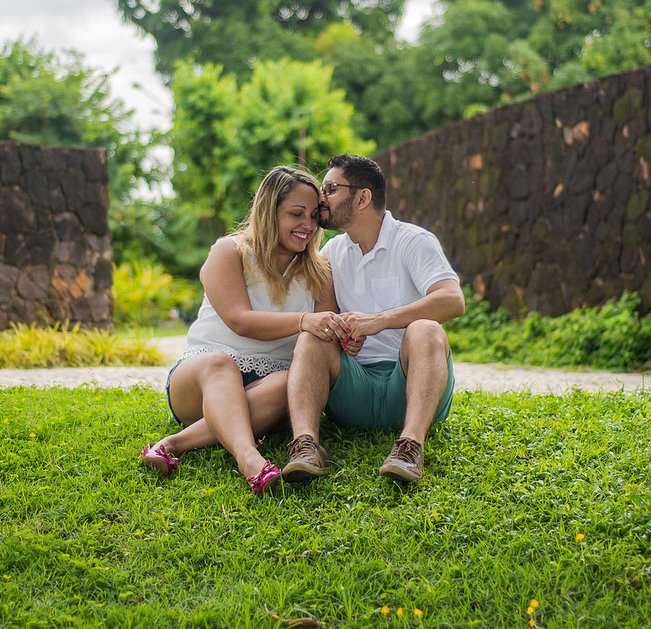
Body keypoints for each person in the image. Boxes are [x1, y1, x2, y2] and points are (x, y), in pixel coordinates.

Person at [140, 166, 358, 495]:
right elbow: (239, 319)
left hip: (271, 387)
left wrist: (346, 335)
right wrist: (304, 320)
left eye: (314, 216)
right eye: (296, 214)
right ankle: (249, 459)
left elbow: (324, 333)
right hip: (201, 379)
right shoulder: (230, 251)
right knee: (219, 363)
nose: (308, 226)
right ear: (269, 211)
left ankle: (173, 443)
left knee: (294, 385)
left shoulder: (319, 270)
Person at [281, 154, 465, 485]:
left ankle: (410, 446)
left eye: (331, 188)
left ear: (363, 197)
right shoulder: (332, 253)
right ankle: (305, 445)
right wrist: (343, 333)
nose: (321, 199)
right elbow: (328, 319)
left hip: (410, 386)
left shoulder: (412, 241)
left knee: (425, 329)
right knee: (312, 334)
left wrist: (379, 321)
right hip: (354, 391)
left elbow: (452, 300)